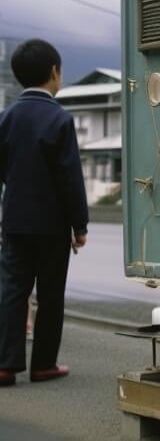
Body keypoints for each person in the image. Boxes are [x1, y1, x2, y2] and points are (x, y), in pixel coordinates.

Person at [0, 39, 89, 386]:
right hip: (52, 223)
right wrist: (79, 224)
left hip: (16, 219)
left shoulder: (6, 117)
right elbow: (70, 178)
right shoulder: (59, 119)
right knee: (50, 293)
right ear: (54, 72)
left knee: (12, 289)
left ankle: (6, 365)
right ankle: (43, 365)